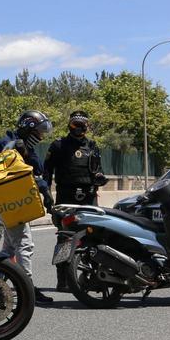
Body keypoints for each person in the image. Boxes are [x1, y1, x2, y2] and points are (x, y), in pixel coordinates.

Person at [0, 110, 55, 304]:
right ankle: (27, 289)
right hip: (10, 203)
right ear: (28, 129)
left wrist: (44, 190)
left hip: (17, 202)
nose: (41, 136)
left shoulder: (25, 147)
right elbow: (15, 174)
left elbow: (36, 173)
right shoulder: (9, 145)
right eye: (39, 131)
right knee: (25, 245)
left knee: (9, 248)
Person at [45, 110, 107, 291]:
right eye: (75, 125)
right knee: (65, 237)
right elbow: (46, 173)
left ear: (87, 127)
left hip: (88, 197)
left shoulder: (93, 146)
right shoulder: (58, 145)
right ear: (69, 125)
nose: (78, 129)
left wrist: (100, 178)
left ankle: (88, 277)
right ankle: (63, 280)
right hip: (66, 198)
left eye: (82, 125)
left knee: (92, 237)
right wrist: (46, 195)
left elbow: (98, 171)